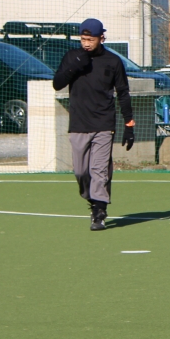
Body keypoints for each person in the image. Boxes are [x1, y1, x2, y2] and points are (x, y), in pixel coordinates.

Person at [51, 18, 135, 231]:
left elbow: (123, 93)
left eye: (91, 40)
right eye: (83, 39)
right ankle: (92, 198)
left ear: (101, 38)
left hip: (104, 124)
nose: (86, 43)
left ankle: (99, 211)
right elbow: (57, 84)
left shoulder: (113, 61)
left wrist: (129, 124)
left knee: (99, 170)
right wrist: (74, 67)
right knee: (81, 172)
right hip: (78, 123)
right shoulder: (72, 56)